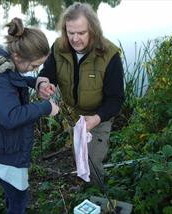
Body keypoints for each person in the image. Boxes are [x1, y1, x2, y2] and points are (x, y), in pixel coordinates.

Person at [0, 17, 59, 214]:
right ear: (17, 56)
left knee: (13, 194)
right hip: (1, 150)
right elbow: (10, 117)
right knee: (19, 198)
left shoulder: (2, 61)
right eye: (34, 66)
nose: (35, 70)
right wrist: (45, 108)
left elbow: (14, 77)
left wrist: (36, 83)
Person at [36, 2, 124, 184]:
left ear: (92, 30)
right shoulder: (58, 47)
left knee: (92, 161)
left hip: (99, 115)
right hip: (73, 114)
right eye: (70, 33)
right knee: (79, 154)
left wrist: (96, 118)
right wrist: (43, 84)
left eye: (81, 33)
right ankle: (84, 188)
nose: (75, 39)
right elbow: (47, 74)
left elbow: (116, 99)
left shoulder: (109, 55)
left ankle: (97, 195)